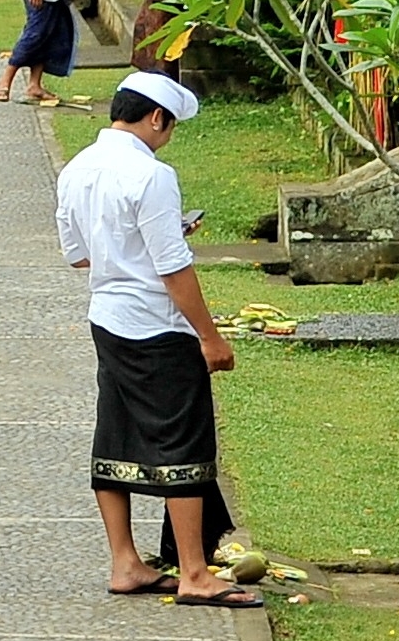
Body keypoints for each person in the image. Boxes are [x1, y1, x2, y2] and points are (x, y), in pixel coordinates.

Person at [56, 70, 253, 606]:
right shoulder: (153, 174)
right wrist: (210, 337)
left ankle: (126, 561)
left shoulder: (77, 168)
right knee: (183, 440)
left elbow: (79, 254)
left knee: (116, 434)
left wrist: (132, 245)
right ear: (157, 117)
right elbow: (173, 267)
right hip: (156, 324)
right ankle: (194, 571)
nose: (167, 138)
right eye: (169, 128)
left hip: (107, 316)